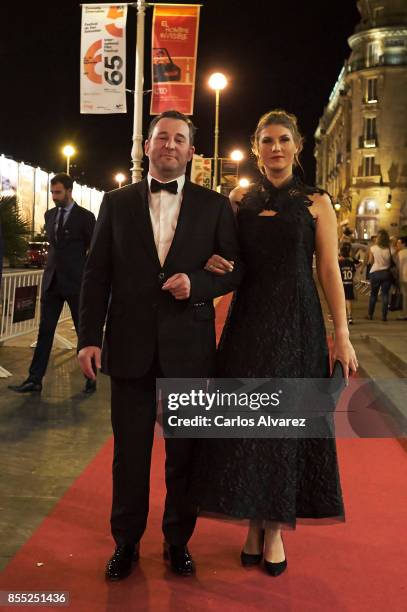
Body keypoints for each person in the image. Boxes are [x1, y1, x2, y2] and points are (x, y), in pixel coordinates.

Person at [191, 109, 358, 577]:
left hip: (299, 323)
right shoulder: (238, 197)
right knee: (249, 425)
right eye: (267, 140)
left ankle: (275, 530)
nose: (276, 148)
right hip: (248, 322)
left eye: (284, 139)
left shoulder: (319, 201)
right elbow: (227, 257)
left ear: (298, 147)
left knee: (283, 426)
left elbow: (328, 270)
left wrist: (340, 335)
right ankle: (252, 524)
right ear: (257, 147)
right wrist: (213, 264)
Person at [77, 110, 242, 580]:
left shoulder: (214, 207)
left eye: (179, 139)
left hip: (189, 349)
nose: (169, 145)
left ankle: (177, 541)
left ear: (192, 151)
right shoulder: (116, 202)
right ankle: (125, 543)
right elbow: (96, 276)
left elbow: (234, 270)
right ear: (145, 147)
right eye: (161, 137)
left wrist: (198, 284)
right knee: (129, 455)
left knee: (184, 454)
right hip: (127, 349)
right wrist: (89, 338)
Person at [9, 173, 96, 394]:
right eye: (52, 192)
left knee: (83, 332)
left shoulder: (85, 217)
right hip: (52, 284)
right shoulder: (49, 215)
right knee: (44, 332)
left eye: (58, 192)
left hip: (76, 285)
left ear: (69, 190)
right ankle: (34, 379)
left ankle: (91, 377)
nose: (54, 197)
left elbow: (93, 251)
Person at [367, 228, 393, 321]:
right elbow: (392, 261)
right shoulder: (390, 249)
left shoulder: (373, 248)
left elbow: (370, 261)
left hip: (375, 273)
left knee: (373, 294)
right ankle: (384, 316)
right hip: (386, 273)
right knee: (385, 295)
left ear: (378, 238)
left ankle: (370, 314)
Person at [339, 242, 359, 325]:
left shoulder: (339, 263)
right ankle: (350, 317)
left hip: (341, 284)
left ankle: (341, 317)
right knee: (349, 300)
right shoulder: (351, 262)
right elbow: (353, 272)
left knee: (340, 300)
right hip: (349, 283)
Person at [396, 236, 407, 320]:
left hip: (403, 277)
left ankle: (404, 314)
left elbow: (398, 266)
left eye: (399, 243)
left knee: (405, 296)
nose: (397, 244)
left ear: (403, 243)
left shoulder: (401, 253)